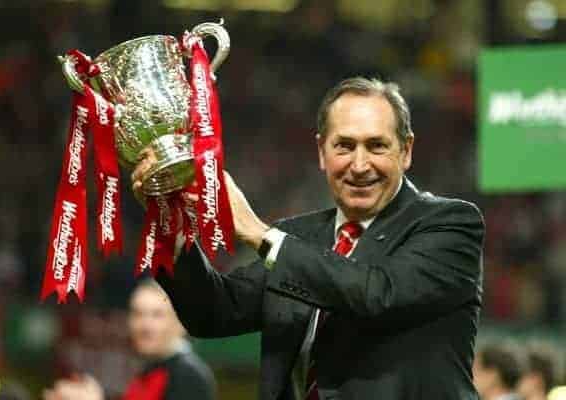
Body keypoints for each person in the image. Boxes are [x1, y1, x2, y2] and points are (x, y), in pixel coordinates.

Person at [132, 77, 485, 399]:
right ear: (321, 151)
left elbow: (378, 294)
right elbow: (214, 312)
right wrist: (174, 232)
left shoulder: (449, 224)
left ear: (406, 151)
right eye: (344, 146)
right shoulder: (299, 236)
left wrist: (257, 232)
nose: (360, 165)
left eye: (376, 146)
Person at [43, 279, 216, 400]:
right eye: (138, 314)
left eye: (157, 315)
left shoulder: (189, 377)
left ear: (181, 323)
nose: (145, 325)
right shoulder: (147, 372)